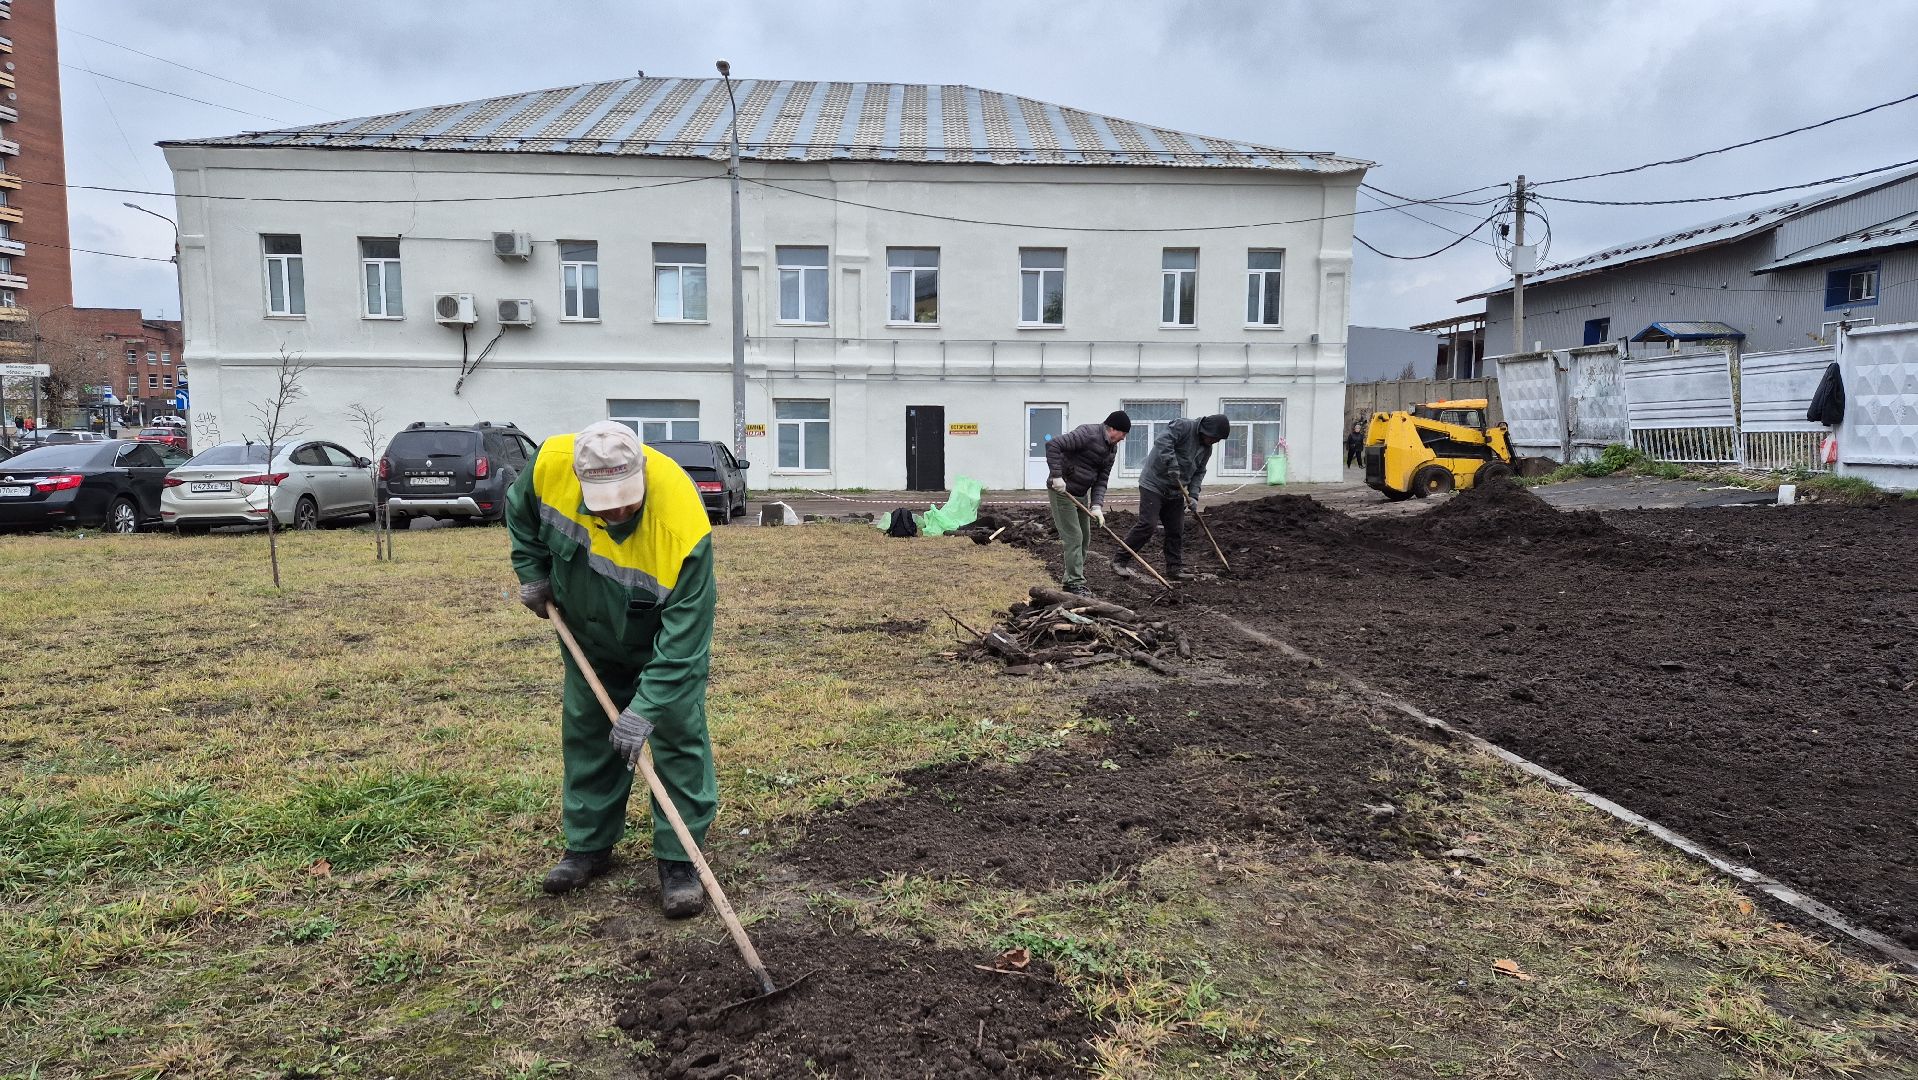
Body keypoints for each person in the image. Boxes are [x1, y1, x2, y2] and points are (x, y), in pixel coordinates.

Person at [506, 420, 718, 918]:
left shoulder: (682, 526)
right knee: (588, 732)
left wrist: (645, 709)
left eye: (628, 499)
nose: (619, 511)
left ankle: (680, 859)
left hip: (655, 631)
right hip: (586, 625)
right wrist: (532, 571)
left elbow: (685, 644)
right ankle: (589, 846)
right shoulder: (548, 469)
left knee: (677, 735)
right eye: (606, 502)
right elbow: (520, 514)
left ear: (641, 473)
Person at [1113, 413, 1229, 583]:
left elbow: (1199, 472)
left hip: (1176, 491)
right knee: (1148, 525)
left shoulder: (1206, 448)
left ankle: (1174, 569)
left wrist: (1194, 495)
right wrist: (1171, 463)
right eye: (1214, 438)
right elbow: (1162, 441)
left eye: (1218, 440)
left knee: (1176, 529)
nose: (1215, 442)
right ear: (1206, 430)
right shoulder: (1183, 426)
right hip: (1154, 483)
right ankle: (1120, 560)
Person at [1044, 410, 1130, 596]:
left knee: (1085, 537)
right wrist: (1057, 476)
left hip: (1081, 494)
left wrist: (1097, 506)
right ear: (1113, 429)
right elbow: (1053, 445)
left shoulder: (1111, 449)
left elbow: (1102, 479)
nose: (1123, 439)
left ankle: (1072, 580)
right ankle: (1074, 583)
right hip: (1062, 492)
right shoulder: (1087, 434)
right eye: (1123, 434)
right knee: (1074, 537)